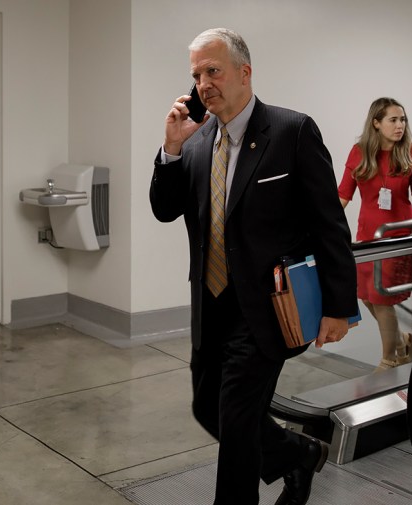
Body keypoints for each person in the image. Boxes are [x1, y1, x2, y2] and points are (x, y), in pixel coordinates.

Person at [149, 28, 358, 505]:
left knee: (238, 421)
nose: (204, 83)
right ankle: (296, 455)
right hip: (211, 303)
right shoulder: (197, 141)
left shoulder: (291, 131)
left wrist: (338, 306)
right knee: (208, 408)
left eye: (213, 71)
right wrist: (171, 149)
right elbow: (164, 208)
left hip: (267, 305)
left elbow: (329, 225)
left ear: (244, 73)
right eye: (197, 74)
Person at [337, 97, 412, 371]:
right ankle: (403, 341)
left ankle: (389, 359)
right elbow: (343, 195)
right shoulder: (359, 152)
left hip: (399, 234)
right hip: (368, 236)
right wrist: (323, 225)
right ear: (376, 123)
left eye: (403, 119)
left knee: (381, 298)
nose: (400, 125)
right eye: (393, 120)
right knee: (366, 295)